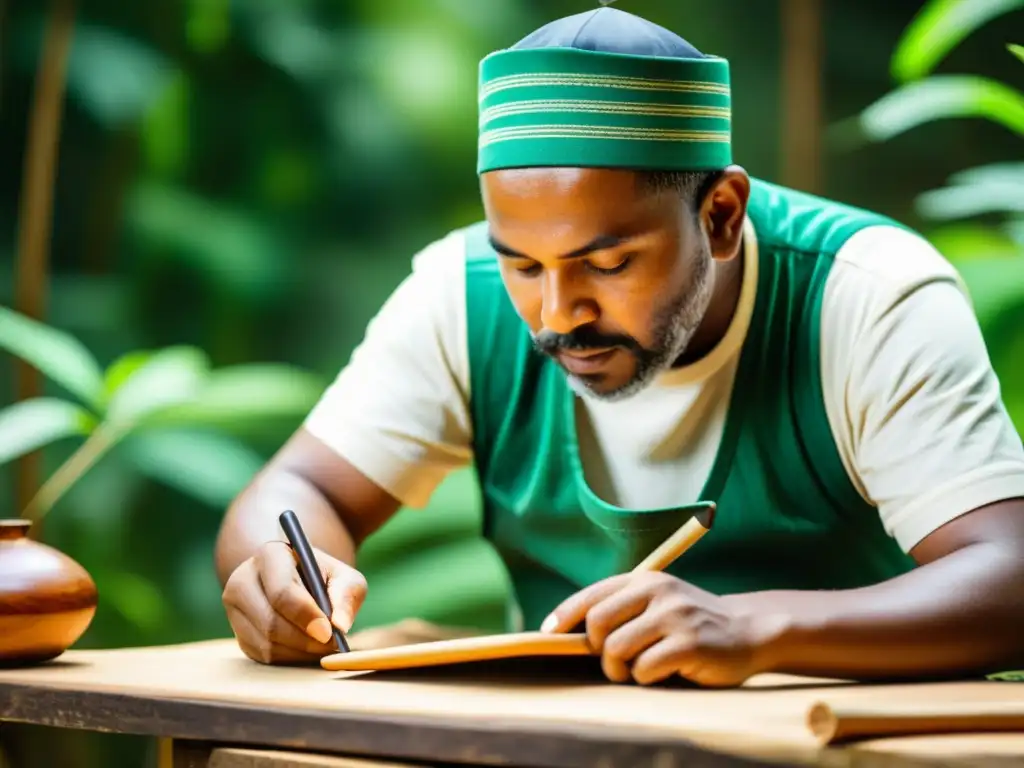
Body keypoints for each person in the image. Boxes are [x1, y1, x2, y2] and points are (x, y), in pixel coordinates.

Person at [215, 7, 1024, 686]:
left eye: (608, 263)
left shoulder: (866, 294)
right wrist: (282, 581)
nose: (557, 313)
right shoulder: (457, 294)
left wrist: (755, 627)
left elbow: (1010, 577)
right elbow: (297, 488)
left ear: (720, 215)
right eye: (523, 263)